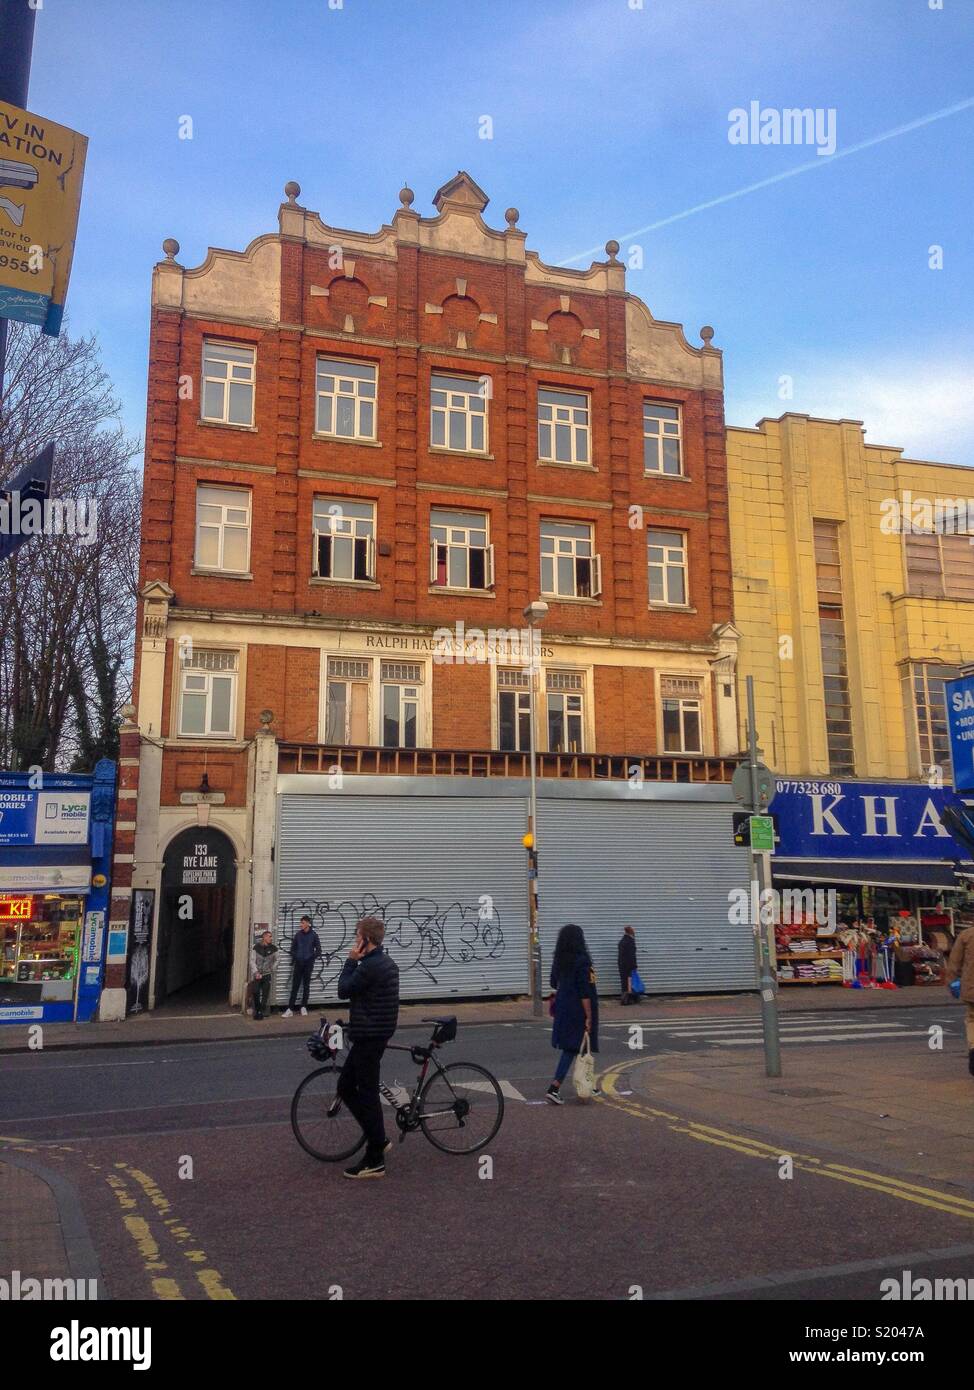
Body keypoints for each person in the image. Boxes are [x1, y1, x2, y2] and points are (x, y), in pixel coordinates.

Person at [336, 917, 400, 1178]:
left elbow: (343, 990)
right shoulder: (384, 963)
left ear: (366, 940)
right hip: (372, 1034)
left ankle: (375, 1156)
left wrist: (351, 960)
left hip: (369, 1036)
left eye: (357, 936)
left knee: (367, 1094)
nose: (354, 940)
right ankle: (378, 1139)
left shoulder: (369, 966)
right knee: (346, 1087)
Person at [546, 922, 599, 1104]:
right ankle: (554, 1087)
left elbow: (553, 982)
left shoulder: (559, 959)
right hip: (577, 1009)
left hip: (563, 1007)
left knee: (580, 1047)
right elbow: (585, 991)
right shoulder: (583, 960)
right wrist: (589, 1016)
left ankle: (588, 1084)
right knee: (573, 1048)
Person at [946, 923, 974, 1077]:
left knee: (972, 1019)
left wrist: (952, 982)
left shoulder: (966, 935)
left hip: (971, 988)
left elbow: (954, 963)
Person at [282, 915, 322, 1017]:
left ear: (308, 923)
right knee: (295, 986)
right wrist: (297, 957)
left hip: (308, 964)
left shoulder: (314, 935)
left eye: (303, 922)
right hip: (298, 964)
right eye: (301, 922)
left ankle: (303, 1006)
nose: (301, 924)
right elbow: (292, 949)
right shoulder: (298, 935)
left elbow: (318, 950)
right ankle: (290, 1008)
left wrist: (311, 958)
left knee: (306, 986)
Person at [250, 928, 278, 1020]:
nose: (271, 938)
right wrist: (255, 971)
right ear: (264, 937)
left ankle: (261, 1011)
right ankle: (257, 1010)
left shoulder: (273, 948)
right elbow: (252, 961)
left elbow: (278, 959)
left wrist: (272, 969)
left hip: (267, 974)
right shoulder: (256, 947)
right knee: (256, 992)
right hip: (257, 974)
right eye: (269, 936)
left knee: (265, 994)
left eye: (271, 937)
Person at [618, 924, 638, 1004]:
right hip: (629, 964)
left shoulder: (622, 941)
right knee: (630, 982)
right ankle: (628, 999)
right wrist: (634, 965)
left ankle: (624, 997)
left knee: (624, 981)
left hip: (621, 964)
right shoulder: (630, 941)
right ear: (631, 932)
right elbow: (631, 955)